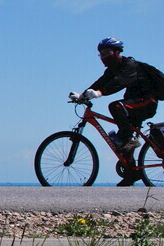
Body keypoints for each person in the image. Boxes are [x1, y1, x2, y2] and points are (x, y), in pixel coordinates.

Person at [69, 37, 160, 186]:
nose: (104, 56)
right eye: (101, 53)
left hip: (146, 102)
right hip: (134, 104)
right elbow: (100, 83)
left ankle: (128, 140)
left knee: (116, 107)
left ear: (117, 52)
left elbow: (119, 82)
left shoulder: (129, 65)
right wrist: (82, 95)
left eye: (107, 52)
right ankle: (131, 173)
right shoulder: (112, 69)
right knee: (124, 143)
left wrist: (99, 93)